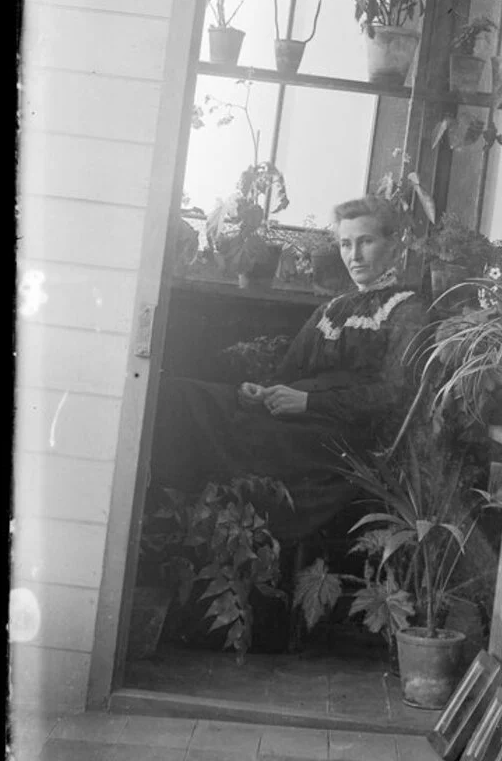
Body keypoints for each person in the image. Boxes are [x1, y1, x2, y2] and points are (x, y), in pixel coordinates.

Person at [150, 196, 429, 544]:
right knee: (179, 394)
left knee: (199, 410)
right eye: (345, 244)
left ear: (394, 245)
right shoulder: (332, 309)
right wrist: (261, 391)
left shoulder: (407, 311)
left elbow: (392, 396)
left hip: (341, 440)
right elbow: (288, 374)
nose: (354, 255)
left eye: (366, 242)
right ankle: (162, 528)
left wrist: (309, 403)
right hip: (300, 422)